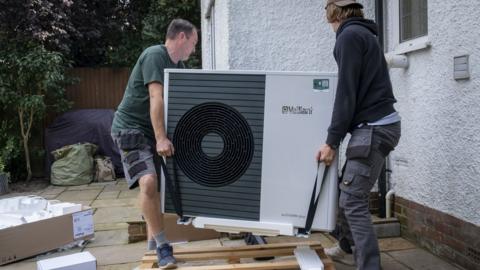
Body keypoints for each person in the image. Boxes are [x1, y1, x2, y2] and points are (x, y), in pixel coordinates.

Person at [317, 1, 401, 269]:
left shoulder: (349, 36)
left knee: (352, 200)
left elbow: (346, 93)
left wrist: (332, 141)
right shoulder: (362, 33)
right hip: (378, 126)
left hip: (374, 129)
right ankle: (346, 246)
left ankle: (369, 265)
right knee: (345, 190)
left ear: (333, 13)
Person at [111, 18, 198, 269]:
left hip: (152, 131)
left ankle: (152, 249)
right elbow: (155, 96)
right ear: (181, 37)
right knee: (148, 182)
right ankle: (162, 246)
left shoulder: (179, 66)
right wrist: (161, 138)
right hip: (130, 129)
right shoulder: (154, 55)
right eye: (193, 43)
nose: (193, 49)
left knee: (159, 191)